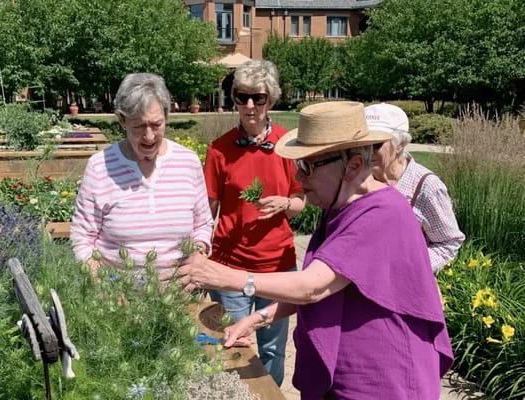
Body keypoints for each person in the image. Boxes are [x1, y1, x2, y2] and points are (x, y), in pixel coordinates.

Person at [167, 101, 454, 399]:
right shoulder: (342, 205)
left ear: (354, 166)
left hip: (381, 379)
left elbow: (313, 287)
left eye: (308, 166)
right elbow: (332, 285)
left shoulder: (382, 213)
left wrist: (225, 276)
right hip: (351, 373)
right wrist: (258, 318)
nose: (299, 179)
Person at [203, 59, 306, 386]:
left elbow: (301, 202)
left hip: (277, 265)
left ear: (271, 100)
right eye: (241, 97)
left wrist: (285, 203)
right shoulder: (218, 151)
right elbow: (208, 212)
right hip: (231, 267)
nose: (249, 105)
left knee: (273, 348)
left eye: (257, 98)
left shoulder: (288, 146)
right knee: (235, 345)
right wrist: (202, 262)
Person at [70, 72, 213, 276]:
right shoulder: (100, 166)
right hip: (116, 294)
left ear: (167, 116)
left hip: (179, 292)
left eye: (156, 125)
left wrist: (199, 253)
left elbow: (202, 225)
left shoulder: (188, 161)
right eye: (138, 126)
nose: (148, 136)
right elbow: (82, 239)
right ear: (122, 121)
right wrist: (105, 285)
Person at [365, 103, 465, 272]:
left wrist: (411, 267)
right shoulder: (358, 180)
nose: (367, 152)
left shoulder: (426, 187)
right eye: (362, 144)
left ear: (400, 145)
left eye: (376, 145)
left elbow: (449, 242)